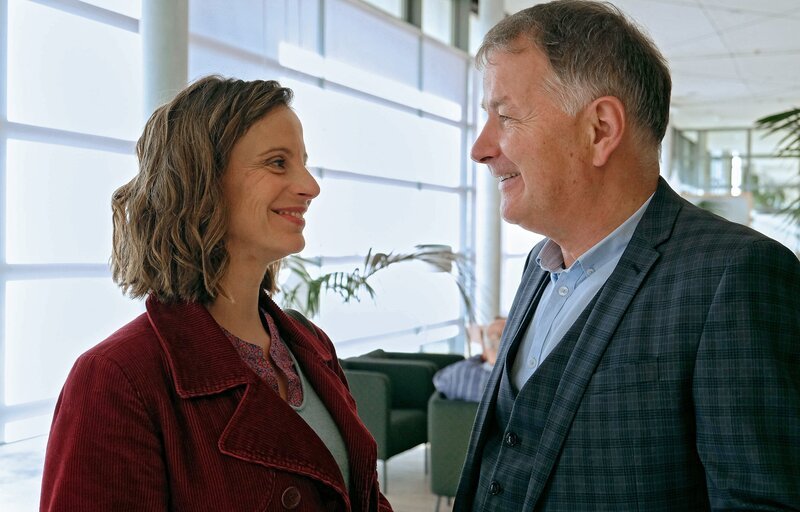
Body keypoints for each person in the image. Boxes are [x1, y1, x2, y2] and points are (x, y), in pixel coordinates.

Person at [454, 1, 800, 510]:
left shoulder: (737, 274)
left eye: (504, 116)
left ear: (599, 129)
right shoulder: (539, 265)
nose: (480, 148)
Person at [40, 76, 392, 512]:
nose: (310, 186)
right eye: (277, 163)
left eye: (303, 162)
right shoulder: (116, 378)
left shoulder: (311, 346)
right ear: (202, 180)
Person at [433, 317, 506, 402]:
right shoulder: (511, 383)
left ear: (484, 345)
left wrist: (481, 356)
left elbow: (438, 379)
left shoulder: (457, 376)